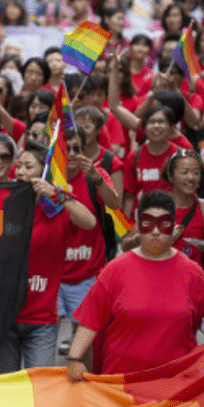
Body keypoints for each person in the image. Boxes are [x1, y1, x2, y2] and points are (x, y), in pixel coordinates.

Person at [67, 189, 204, 377]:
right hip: (121, 387)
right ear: (138, 224)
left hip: (174, 389)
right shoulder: (114, 271)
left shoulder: (193, 273)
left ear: (175, 227)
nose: (156, 231)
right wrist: (74, 358)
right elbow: (90, 321)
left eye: (165, 224)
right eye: (148, 223)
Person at [0, 141, 96, 374]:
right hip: (3, 317)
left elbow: (89, 222)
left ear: (44, 173)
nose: (20, 172)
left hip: (41, 321)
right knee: (5, 391)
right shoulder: (2, 202)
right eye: (18, 166)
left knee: (39, 389)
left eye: (28, 167)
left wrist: (57, 194)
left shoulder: (57, 207)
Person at [57, 126, 120, 364]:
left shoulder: (96, 175)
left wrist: (95, 175)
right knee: (44, 337)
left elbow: (114, 204)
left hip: (86, 275)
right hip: (52, 276)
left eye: (77, 148)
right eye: (66, 149)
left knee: (85, 342)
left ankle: (90, 386)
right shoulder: (46, 179)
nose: (71, 154)